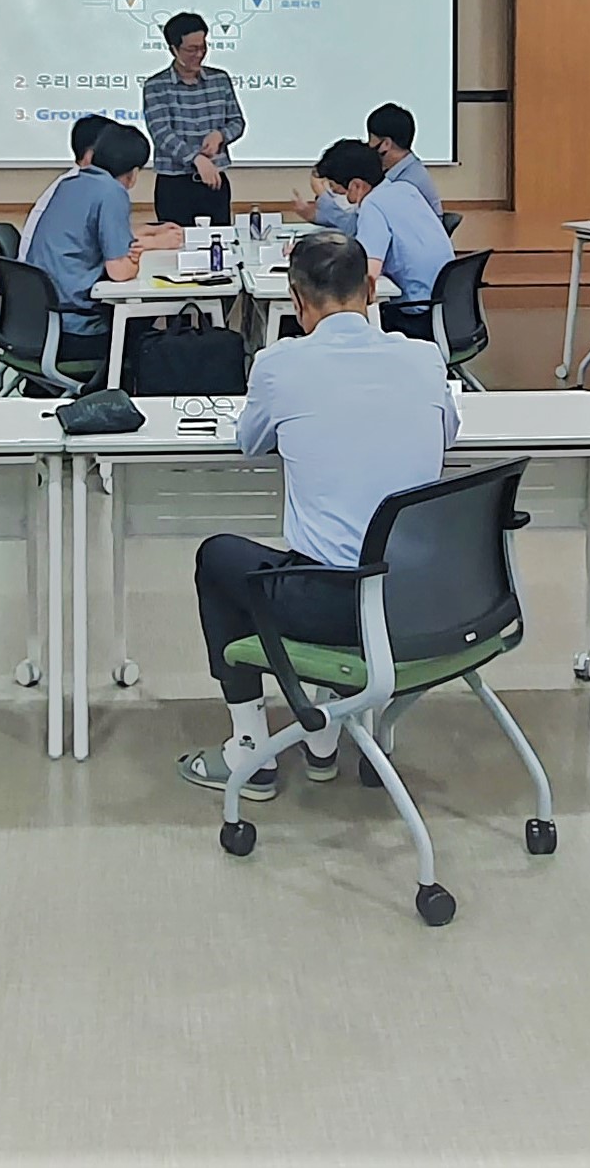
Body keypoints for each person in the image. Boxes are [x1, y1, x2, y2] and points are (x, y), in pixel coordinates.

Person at [177, 231, 461, 799]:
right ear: (371, 289)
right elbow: (447, 434)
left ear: (296, 299)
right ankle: (330, 736)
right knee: (348, 547)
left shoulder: (279, 364)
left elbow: (251, 442)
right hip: (422, 603)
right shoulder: (423, 357)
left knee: (220, 559)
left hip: (331, 607)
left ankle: (251, 750)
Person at [21, 120, 157, 370]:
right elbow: (120, 271)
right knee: (148, 322)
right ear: (134, 173)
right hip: (75, 327)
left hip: (38, 321)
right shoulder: (112, 192)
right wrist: (134, 261)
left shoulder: (70, 183)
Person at [312, 138, 452, 339]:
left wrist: (314, 257)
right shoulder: (404, 189)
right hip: (443, 307)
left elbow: (368, 274)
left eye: (335, 190)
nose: (334, 196)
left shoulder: (372, 206)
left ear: (356, 185)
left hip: (413, 315)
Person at [139, 12, 243, 228]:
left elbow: (236, 121)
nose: (199, 54)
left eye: (203, 47)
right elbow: (161, 134)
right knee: (175, 242)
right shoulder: (156, 86)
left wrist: (221, 135)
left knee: (218, 242)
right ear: (173, 49)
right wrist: (196, 159)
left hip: (215, 182)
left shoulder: (220, 80)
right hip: (174, 184)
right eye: (191, 49)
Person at [300, 103, 441, 229]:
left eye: (371, 140)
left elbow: (360, 227)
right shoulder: (396, 173)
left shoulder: (405, 183)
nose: (368, 147)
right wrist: (318, 216)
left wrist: (324, 196)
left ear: (386, 144)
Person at [20, 114, 116, 260]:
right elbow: (111, 248)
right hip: (49, 271)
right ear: (90, 155)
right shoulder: (82, 187)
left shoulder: (73, 182)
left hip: (39, 267)